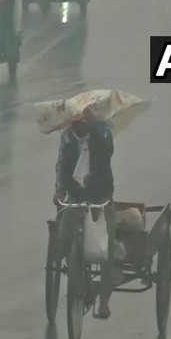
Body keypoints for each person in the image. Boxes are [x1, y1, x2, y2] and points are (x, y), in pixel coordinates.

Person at [52, 115, 123, 319]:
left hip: (101, 195)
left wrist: (93, 133)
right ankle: (77, 275)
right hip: (75, 196)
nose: (80, 126)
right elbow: (62, 166)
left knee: (105, 248)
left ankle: (103, 302)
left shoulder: (102, 132)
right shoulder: (67, 138)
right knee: (64, 235)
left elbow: (107, 153)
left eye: (84, 122)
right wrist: (60, 191)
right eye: (76, 122)